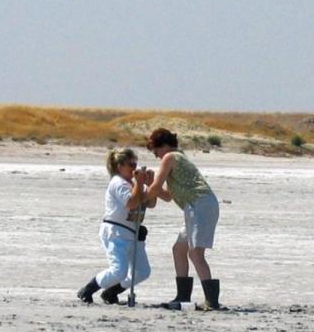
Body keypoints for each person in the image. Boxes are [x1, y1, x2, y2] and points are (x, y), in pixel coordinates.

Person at [143, 127, 223, 311]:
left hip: (199, 205)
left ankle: (212, 301)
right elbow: (167, 195)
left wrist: (139, 196)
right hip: (196, 207)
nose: (156, 156)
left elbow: (155, 189)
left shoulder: (170, 157)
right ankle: (183, 295)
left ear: (163, 146)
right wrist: (150, 185)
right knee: (179, 249)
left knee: (195, 253)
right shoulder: (178, 158)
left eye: (155, 151)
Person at [77, 148, 155, 305]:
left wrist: (150, 184)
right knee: (118, 271)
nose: (135, 168)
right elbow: (131, 203)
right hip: (116, 232)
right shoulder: (117, 183)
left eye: (136, 164)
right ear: (120, 166)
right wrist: (139, 184)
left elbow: (150, 202)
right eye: (131, 164)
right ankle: (88, 289)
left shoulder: (133, 184)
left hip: (133, 232)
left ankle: (111, 292)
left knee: (142, 272)